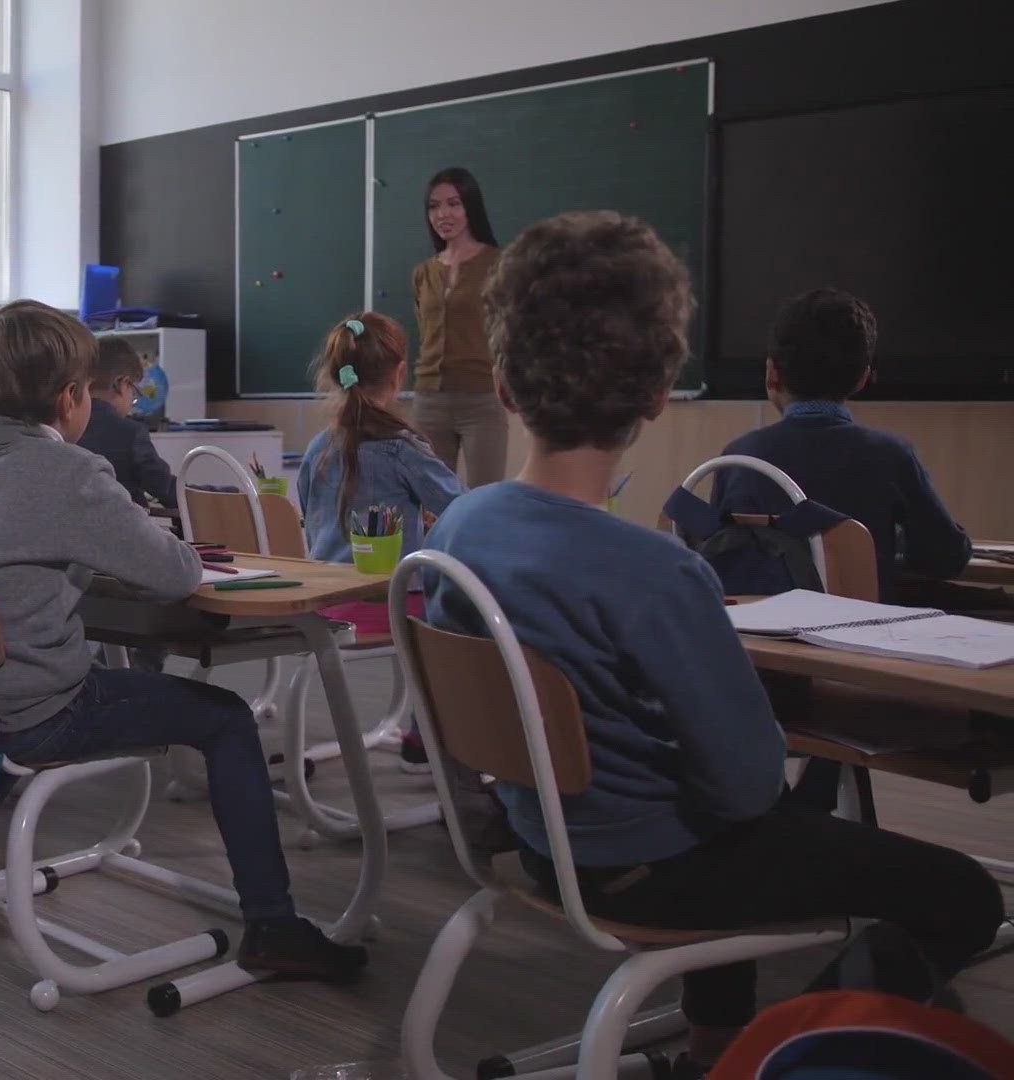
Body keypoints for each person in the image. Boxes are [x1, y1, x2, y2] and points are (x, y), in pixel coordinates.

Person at [421, 210, 1002, 1077]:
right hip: (647, 865)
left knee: (730, 818)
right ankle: (789, 1042)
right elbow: (743, 787)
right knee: (961, 892)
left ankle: (713, 1039)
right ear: (659, 393)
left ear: (503, 387)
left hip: (539, 838)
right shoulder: (658, 573)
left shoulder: (460, 528)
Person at [0, 299, 368, 982]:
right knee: (227, 719)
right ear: (70, 399)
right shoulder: (69, 473)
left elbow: (23, 556)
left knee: (16, 696)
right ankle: (273, 921)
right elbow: (176, 571)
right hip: (42, 709)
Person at [710, 288, 970, 603]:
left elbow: (718, 558)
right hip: (857, 643)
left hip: (757, 643)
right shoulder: (890, 455)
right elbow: (945, 559)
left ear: (771, 373)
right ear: (863, 378)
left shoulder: (738, 459)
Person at [298, 311, 464, 770]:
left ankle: (421, 733)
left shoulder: (319, 446)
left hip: (324, 604)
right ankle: (427, 737)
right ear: (398, 372)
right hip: (384, 603)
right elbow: (464, 510)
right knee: (465, 613)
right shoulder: (401, 446)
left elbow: (309, 512)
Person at [410, 166, 508, 486]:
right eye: (434, 206)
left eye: (453, 203)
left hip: (481, 398)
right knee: (432, 503)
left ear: (470, 207)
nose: (443, 214)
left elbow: (514, 330)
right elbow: (426, 332)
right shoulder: (423, 272)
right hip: (429, 400)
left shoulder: (499, 264)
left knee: (484, 498)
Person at [76, 336, 178, 510]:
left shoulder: (64, 425)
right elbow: (165, 489)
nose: (133, 401)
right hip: (122, 528)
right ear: (121, 384)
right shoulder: (130, 432)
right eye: (134, 392)